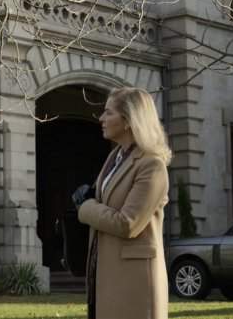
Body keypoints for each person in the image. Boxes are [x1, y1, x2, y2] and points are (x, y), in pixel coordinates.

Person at [72, 87, 171, 319]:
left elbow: (128, 223)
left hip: (134, 283)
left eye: (108, 113)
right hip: (106, 275)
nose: (101, 119)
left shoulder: (152, 166)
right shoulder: (114, 157)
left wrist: (85, 207)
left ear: (128, 120)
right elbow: (105, 203)